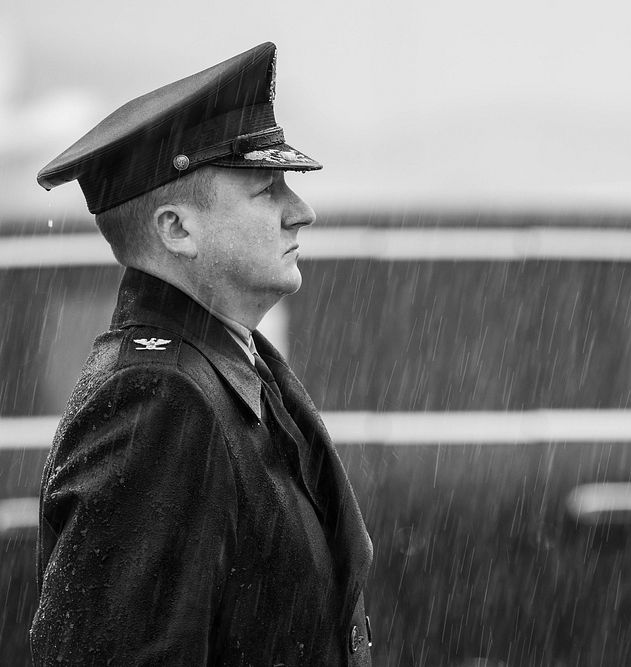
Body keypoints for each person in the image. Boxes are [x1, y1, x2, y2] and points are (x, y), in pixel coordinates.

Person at [30, 42, 374, 665]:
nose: (302, 211)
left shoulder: (224, 367)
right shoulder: (160, 401)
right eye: (267, 189)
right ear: (176, 230)